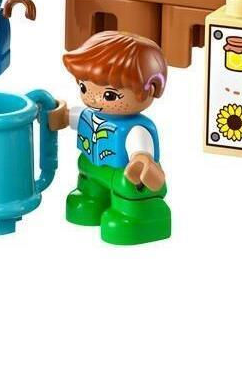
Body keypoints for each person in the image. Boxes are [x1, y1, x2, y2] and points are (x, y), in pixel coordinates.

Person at [48, 31, 171, 245]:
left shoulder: (136, 129)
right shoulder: (90, 114)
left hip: (123, 176)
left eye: (109, 95)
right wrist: (61, 115)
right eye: (84, 87)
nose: (94, 99)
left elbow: (141, 151)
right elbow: (71, 117)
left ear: (150, 89)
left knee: (127, 189)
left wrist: (142, 160)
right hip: (91, 170)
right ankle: (92, 198)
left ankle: (133, 216)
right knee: (88, 186)